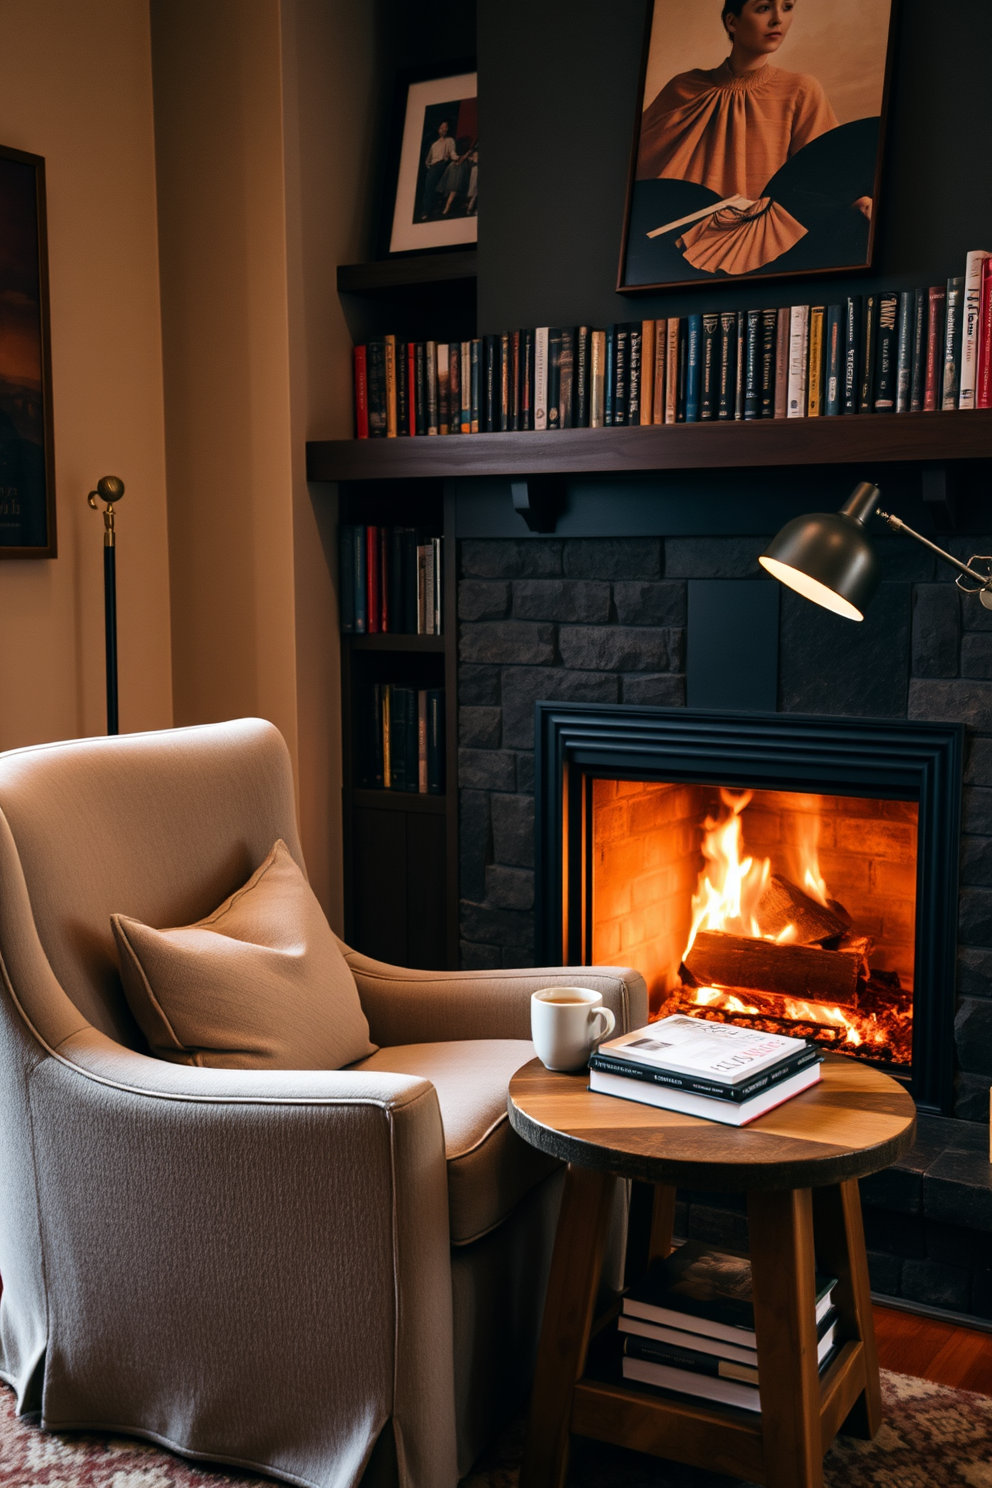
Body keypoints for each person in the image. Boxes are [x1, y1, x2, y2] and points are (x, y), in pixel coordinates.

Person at [637, 1, 868, 274]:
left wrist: (859, 201)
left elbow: (823, 175)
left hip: (763, 247)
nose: (778, 19)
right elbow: (640, 166)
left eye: (787, 6)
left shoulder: (801, 90)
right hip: (680, 241)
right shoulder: (682, 88)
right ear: (732, 22)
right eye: (763, 8)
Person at [420, 120, 456, 221]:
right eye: (442, 127)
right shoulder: (434, 145)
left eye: (446, 127)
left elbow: (452, 154)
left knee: (440, 189)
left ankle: (435, 210)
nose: (444, 129)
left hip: (444, 165)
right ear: (438, 130)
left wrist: (459, 158)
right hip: (434, 167)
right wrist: (431, 166)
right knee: (429, 189)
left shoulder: (450, 140)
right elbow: (428, 160)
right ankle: (426, 211)